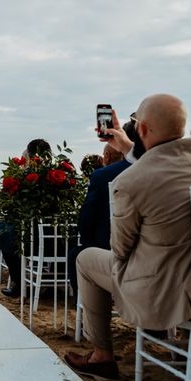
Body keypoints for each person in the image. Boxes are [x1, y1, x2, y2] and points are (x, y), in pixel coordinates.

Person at [65, 94, 191, 379]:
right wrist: (125, 145)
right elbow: (167, 159)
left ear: (143, 129)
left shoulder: (130, 182)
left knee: (85, 258)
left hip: (168, 295)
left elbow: (120, 250)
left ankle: (101, 356)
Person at [67, 121, 141, 295]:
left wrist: (87, 241)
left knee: (78, 255)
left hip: (110, 249)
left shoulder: (103, 176)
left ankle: (86, 313)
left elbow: (86, 218)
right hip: (153, 255)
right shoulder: (162, 170)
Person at [0, 139, 52, 295]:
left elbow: (6, 205)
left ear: (30, 157)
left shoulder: (25, 177)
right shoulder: (58, 175)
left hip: (30, 237)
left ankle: (14, 279)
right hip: (55, 237)